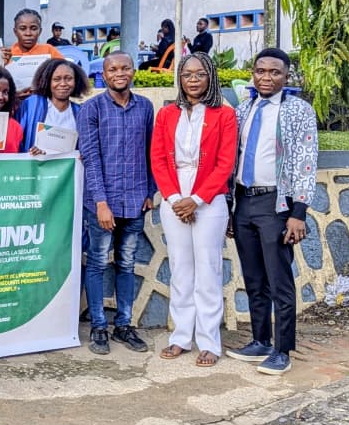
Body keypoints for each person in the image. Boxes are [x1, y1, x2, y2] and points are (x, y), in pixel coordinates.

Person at [225, 48, 318, 376]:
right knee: (253, 278)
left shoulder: (298, 110)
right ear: (253, 73)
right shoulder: (243, 109)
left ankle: (282, 350)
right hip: (243, 201)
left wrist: (298, 212)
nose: (266, 77)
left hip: (276, 204)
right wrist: (230, 207)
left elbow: (306, 160)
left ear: (286, 76)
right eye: (260, 71)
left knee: (279, 281)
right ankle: (260, 341)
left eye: (274, 72)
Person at [150, 52, 237, 367]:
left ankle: (209, 341)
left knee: (208, 271)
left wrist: (196, 199)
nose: (193, 80)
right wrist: (175, 198)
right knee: (180, 268)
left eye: (200, 74)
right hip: (173, 198)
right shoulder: (166, 114)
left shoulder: (224, 115)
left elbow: (225, 163)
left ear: (210, 77)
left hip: (209, 200)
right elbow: (158, 158)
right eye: (187, 74)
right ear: (180, 78)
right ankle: (180, 336)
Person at [78, 51, 156, 356]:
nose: (119, 73)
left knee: (126, 263)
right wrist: (101, 203)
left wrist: (150, 190)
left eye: (125, 68)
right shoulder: (92, 108)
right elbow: (90, 158)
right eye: (113, 69)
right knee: (98, 262)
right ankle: (99, 326)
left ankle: (124, 325)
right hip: (102, 202)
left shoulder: (145, 107)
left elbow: (150, 151)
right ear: (104, 74)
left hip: (135, 200)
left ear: (133, 71)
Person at [15, 58, 91, 153]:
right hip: (33, 162)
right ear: (47, 81)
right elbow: (16, 139)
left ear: (76, 81)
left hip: (67, 162)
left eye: (69, 79)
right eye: (56, 79)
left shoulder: (80, 111)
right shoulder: (31, 105)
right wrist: (30, 152)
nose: (63, 84)